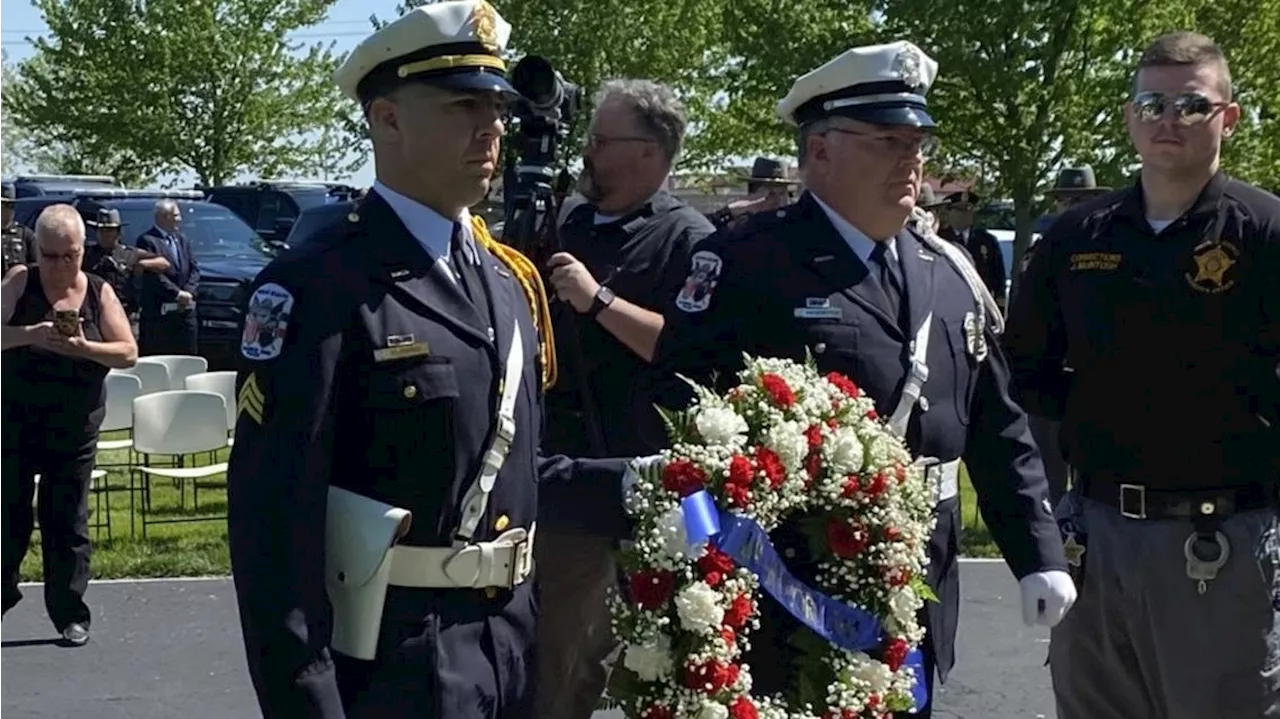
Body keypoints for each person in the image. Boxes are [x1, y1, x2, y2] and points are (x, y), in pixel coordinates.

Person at [225, 3, 639, 718]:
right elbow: (274, 534)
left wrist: (654, 485)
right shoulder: (318, 287)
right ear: (387, 119)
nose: (492, 127)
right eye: (462, 105)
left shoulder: (507, 282)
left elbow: (514, 471)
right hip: (391, 670)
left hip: (509, 652)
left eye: (498, 107)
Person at [651, 41, 1075, 716]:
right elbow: (678, 415)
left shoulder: (949, 271)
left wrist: (1037, 552)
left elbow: (997, 425)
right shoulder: (749, 263)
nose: (911, 159)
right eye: (886, 140)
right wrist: (702, 567)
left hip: (921, 581)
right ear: (819, 151)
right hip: (786, 587)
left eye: (917, 142)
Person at [1005, 32, 1280, 719]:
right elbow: (1025, 375)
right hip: (1093, 535)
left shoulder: (1264, 231)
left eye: (1192, 103)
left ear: (1228, 117)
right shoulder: (1078, 236)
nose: (1168, 119)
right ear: (1129, 116)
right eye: (1151, 102)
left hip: (1221, 536)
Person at [535, 78, 715, 719]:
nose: (587, 152)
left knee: (671, 655)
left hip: (650, 475)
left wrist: (598, 301)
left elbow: (684, 348)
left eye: (602, 141)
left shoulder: (689, 238)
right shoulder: (564, 221)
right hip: (565, 472)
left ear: (649, 152)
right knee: (558, 662)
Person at [0, 204, 138, 648]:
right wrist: (30, 334)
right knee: (6, 518)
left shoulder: (99, 291)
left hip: (73, 428)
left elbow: (128, 352)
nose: (60, 265)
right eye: (51, 255)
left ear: (83, 251)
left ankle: (70, 614)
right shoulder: (21, 281)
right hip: (13, 422)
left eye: (70, 255)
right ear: (36, 249)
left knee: (67, 523)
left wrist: (81, 347)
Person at [82, 208, 171, 327]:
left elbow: (164, 263)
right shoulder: (87, 254)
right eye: (101, 230)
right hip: (95, 312)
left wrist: (141, 265)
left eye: (109, 230)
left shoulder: (130, 253)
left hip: (126, 313)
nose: (104, 234)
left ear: (118, 232)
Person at [136, 200, 200, 355]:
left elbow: (194, 268)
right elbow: (153, 275)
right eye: (176, 215)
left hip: (185, 313)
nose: (180, 219)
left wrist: (188, 292)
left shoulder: (182, 239)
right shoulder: (147, 240)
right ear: (164, 217)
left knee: (188, 357)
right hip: (160, 315)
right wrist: (176, 294)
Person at [938, 190, 1005, 308]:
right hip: (948, 305)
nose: (965, 214)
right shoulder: (940, 239)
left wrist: (999, 307)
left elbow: (998, 278)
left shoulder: (987, 241)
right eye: (960, 210)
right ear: (950, 213)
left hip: (980, 305)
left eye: (969, 210)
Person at [706, 157, 800, 230]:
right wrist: (729, 211)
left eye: (782, 194)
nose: (777, 201)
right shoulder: (740, 227)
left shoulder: (795, 224)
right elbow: (703, 229)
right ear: (752, 195)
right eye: (770, 194)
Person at [0, 182, 38, 278]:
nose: (7, 210)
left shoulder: (25, 235)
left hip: (20, 291)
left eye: (10, 205)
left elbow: (37, 266)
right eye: (3, 205)